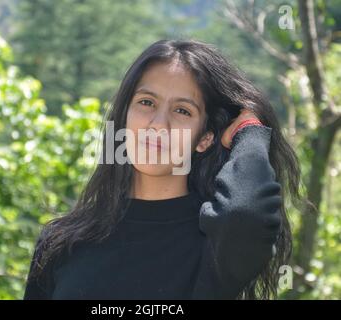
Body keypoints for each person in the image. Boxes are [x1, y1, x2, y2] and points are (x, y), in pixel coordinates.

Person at [24, 39, 302, 300]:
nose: (158, 124)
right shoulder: (60, 242)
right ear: (124, 118)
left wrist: (249, 131)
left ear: (205, 138)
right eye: (146, 103)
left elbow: (246, 214)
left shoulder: (213, 243)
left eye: (182, 111)